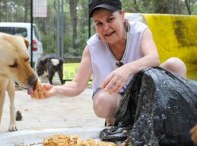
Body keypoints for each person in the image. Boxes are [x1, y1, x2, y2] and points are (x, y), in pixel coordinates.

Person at [29, 0, 187, 126]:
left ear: (122, 15)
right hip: (116, 102)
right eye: (99, 23)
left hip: (146, 95)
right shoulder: (92, 47)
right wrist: (55, 89)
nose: (106, 28)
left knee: (176, 65)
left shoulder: (140, 31)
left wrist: (126, 69)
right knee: (102, 100)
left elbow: (153, 59)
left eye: (110, 19)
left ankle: (170, 121)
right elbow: (77, 84)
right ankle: (114, 125)